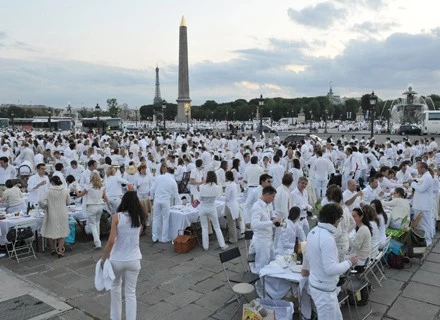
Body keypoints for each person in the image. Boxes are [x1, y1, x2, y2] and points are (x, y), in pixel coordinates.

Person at [302, 203, 358, 320]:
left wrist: (305, 269)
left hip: (318, 285)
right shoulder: (327, 238)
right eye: (340, 219)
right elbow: (330, 269)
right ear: (335, 219)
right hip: (324, 290)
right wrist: (350, 262)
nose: (340, 222)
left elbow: (307, 255)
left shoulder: (313, 231)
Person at [101, 191, 145, 320]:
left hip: (117, 259)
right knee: (131, 293)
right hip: (134, 259)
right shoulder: (140, 218)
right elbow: (138, 233)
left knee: (115, 289)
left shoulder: (117, 217)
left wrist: (104, 259)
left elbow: (111, 241)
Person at [250, 185, 281, 272]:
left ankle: (269, 284)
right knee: (262, 264)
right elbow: (254, 224)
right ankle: (260, 284)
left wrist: (273, 219)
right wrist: (272, 222)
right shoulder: (257, 207)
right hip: (261, 240)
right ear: (267, 195)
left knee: (272, 261)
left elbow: (269, 217)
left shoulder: (267, 205)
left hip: (268, 238)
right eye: (272, 196)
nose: (273, 199)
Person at [39, 176, 71, 257]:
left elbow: (40, 201)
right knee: (62, 232)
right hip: (62, 213)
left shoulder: (48, 191)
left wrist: (45, 206)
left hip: (52, 213)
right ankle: (60, 251)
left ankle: (52, 249)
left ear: (52, 182)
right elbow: (69, 202)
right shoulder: (65, 190)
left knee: (51, 231)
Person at [75, 172, 109, 249]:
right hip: (100, 206)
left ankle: (97, 243)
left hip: (91, 206)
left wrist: (76, 190)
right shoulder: (102, 186)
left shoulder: (89, 186)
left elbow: (79, 195)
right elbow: (106, 198)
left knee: (93, 225)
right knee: (97, 223)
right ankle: (97, 240)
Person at [199, 171, 228, 251]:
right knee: (216, 227)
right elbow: (218, 196)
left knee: (204, 227)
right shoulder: (216, 187)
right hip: (212, 207)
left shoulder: (202, 186)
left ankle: (206, 246)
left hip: (203, 207)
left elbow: (200, 198)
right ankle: (222, 245)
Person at [150, 167, 181, 243]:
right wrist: (180, 204)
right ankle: (164, 238)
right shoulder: (173, 181)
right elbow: (176, 195)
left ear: (166, 171)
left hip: (157, 199)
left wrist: (151, 198)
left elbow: (152, 189)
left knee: (155, 218)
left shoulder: (159, 177)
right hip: (166, 201)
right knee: (165, 219)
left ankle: (154, 237)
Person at [410, 162, 434, 245]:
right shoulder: (425, 176)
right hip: (421, 204)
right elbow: (420, 182)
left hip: (423, 205)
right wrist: (415, 181)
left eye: (418, 168)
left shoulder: (427, 177)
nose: (417, 170)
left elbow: (421, 189)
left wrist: (412, 183)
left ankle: (427, 241)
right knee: (421, 224)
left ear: (423, 168)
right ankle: (424, 239)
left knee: (424, 224)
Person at [329, 186, 356, 261]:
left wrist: (330, 239)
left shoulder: (336, 211)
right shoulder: (345, 208)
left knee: (336, 264)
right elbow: (353, 223)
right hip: (345, 240)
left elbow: (339, 231)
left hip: (339, 243)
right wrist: (346, 231)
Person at [224, 171, 244, 244]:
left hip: (230, 205)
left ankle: (233, 239)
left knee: (231, 223)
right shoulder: (234, 184)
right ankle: (239, 235)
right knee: (237, 221)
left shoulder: (228, 186)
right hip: (235, 204)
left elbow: (227, 197)